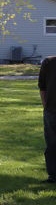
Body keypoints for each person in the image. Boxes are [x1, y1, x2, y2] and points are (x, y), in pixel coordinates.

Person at [40, 55, 56, 184]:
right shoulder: (49, 62)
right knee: (51, 144)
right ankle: (53, 176)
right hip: (52, 111)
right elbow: (42, 86)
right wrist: (46, 106)